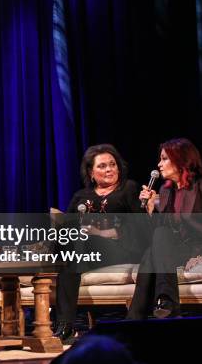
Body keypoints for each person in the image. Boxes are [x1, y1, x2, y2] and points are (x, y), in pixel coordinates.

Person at [54, 144, 148, 342]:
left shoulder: (128, 188)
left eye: (113, 164)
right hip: (86, 251)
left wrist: (104, 232)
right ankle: (65, 325)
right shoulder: (81, 196)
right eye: (103, 166)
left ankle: (65, 324)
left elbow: (139, 228)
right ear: (91, 172)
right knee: (69, 246)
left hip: (120, 250)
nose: (109, 170)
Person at [127, 138, 202, 319]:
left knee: (149, 256)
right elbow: (162, 232)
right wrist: (152, 209)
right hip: (174, 249)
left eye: (165, 159)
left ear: (181, 159)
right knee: (159, 236)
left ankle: (136, 317)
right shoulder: (167, 190)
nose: (159, 164)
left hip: (200, 247)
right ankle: (166, 303)